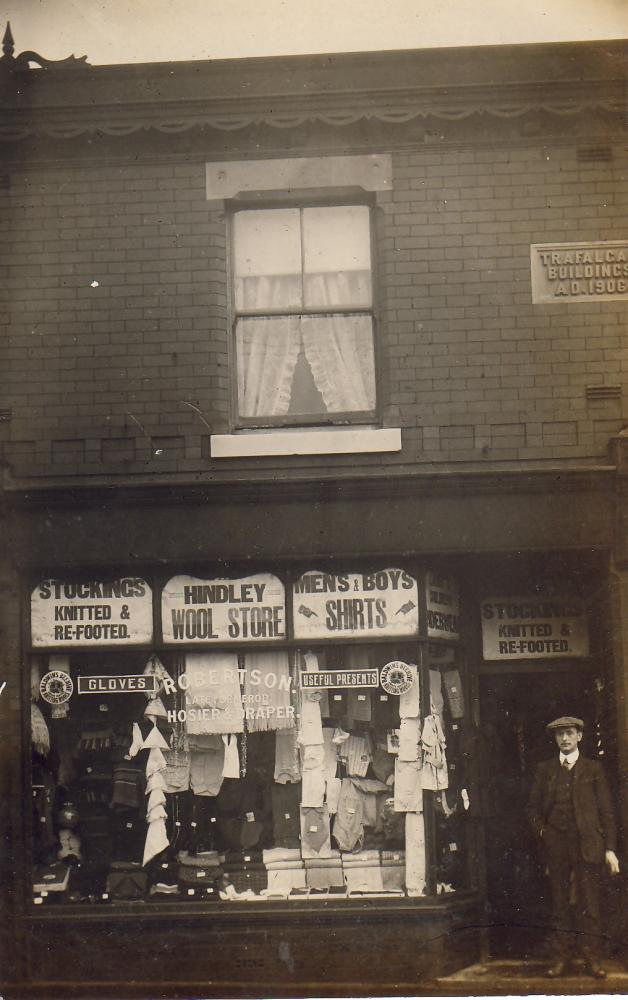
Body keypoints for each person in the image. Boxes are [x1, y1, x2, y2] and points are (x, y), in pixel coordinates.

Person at [526, 716, 620, 979]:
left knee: (590, 904)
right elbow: (532, 809)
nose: (564, 739)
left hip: (588, 844)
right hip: (556, 845)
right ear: (555, 739)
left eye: (569, 733)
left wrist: (609, 848)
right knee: (559, 904)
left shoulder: (593, 769)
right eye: (559, 735)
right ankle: (560, 959)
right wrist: (544, 832)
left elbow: (606, 811)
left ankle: (592, 960)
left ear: (579, 736)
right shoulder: (545, 770)